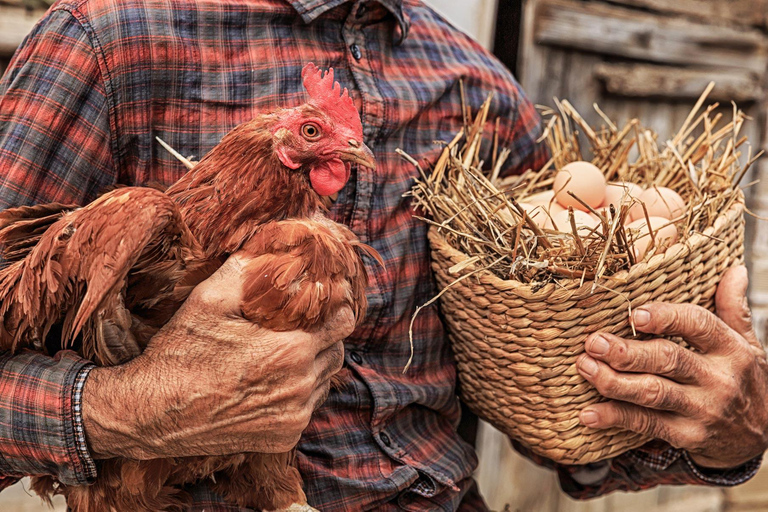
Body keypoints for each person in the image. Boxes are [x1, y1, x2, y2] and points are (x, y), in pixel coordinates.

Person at [0, 0, 766, 509]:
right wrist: (121, 410)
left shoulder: (481, 91)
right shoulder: (104, 43)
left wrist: (719, 431)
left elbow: (560, 415)